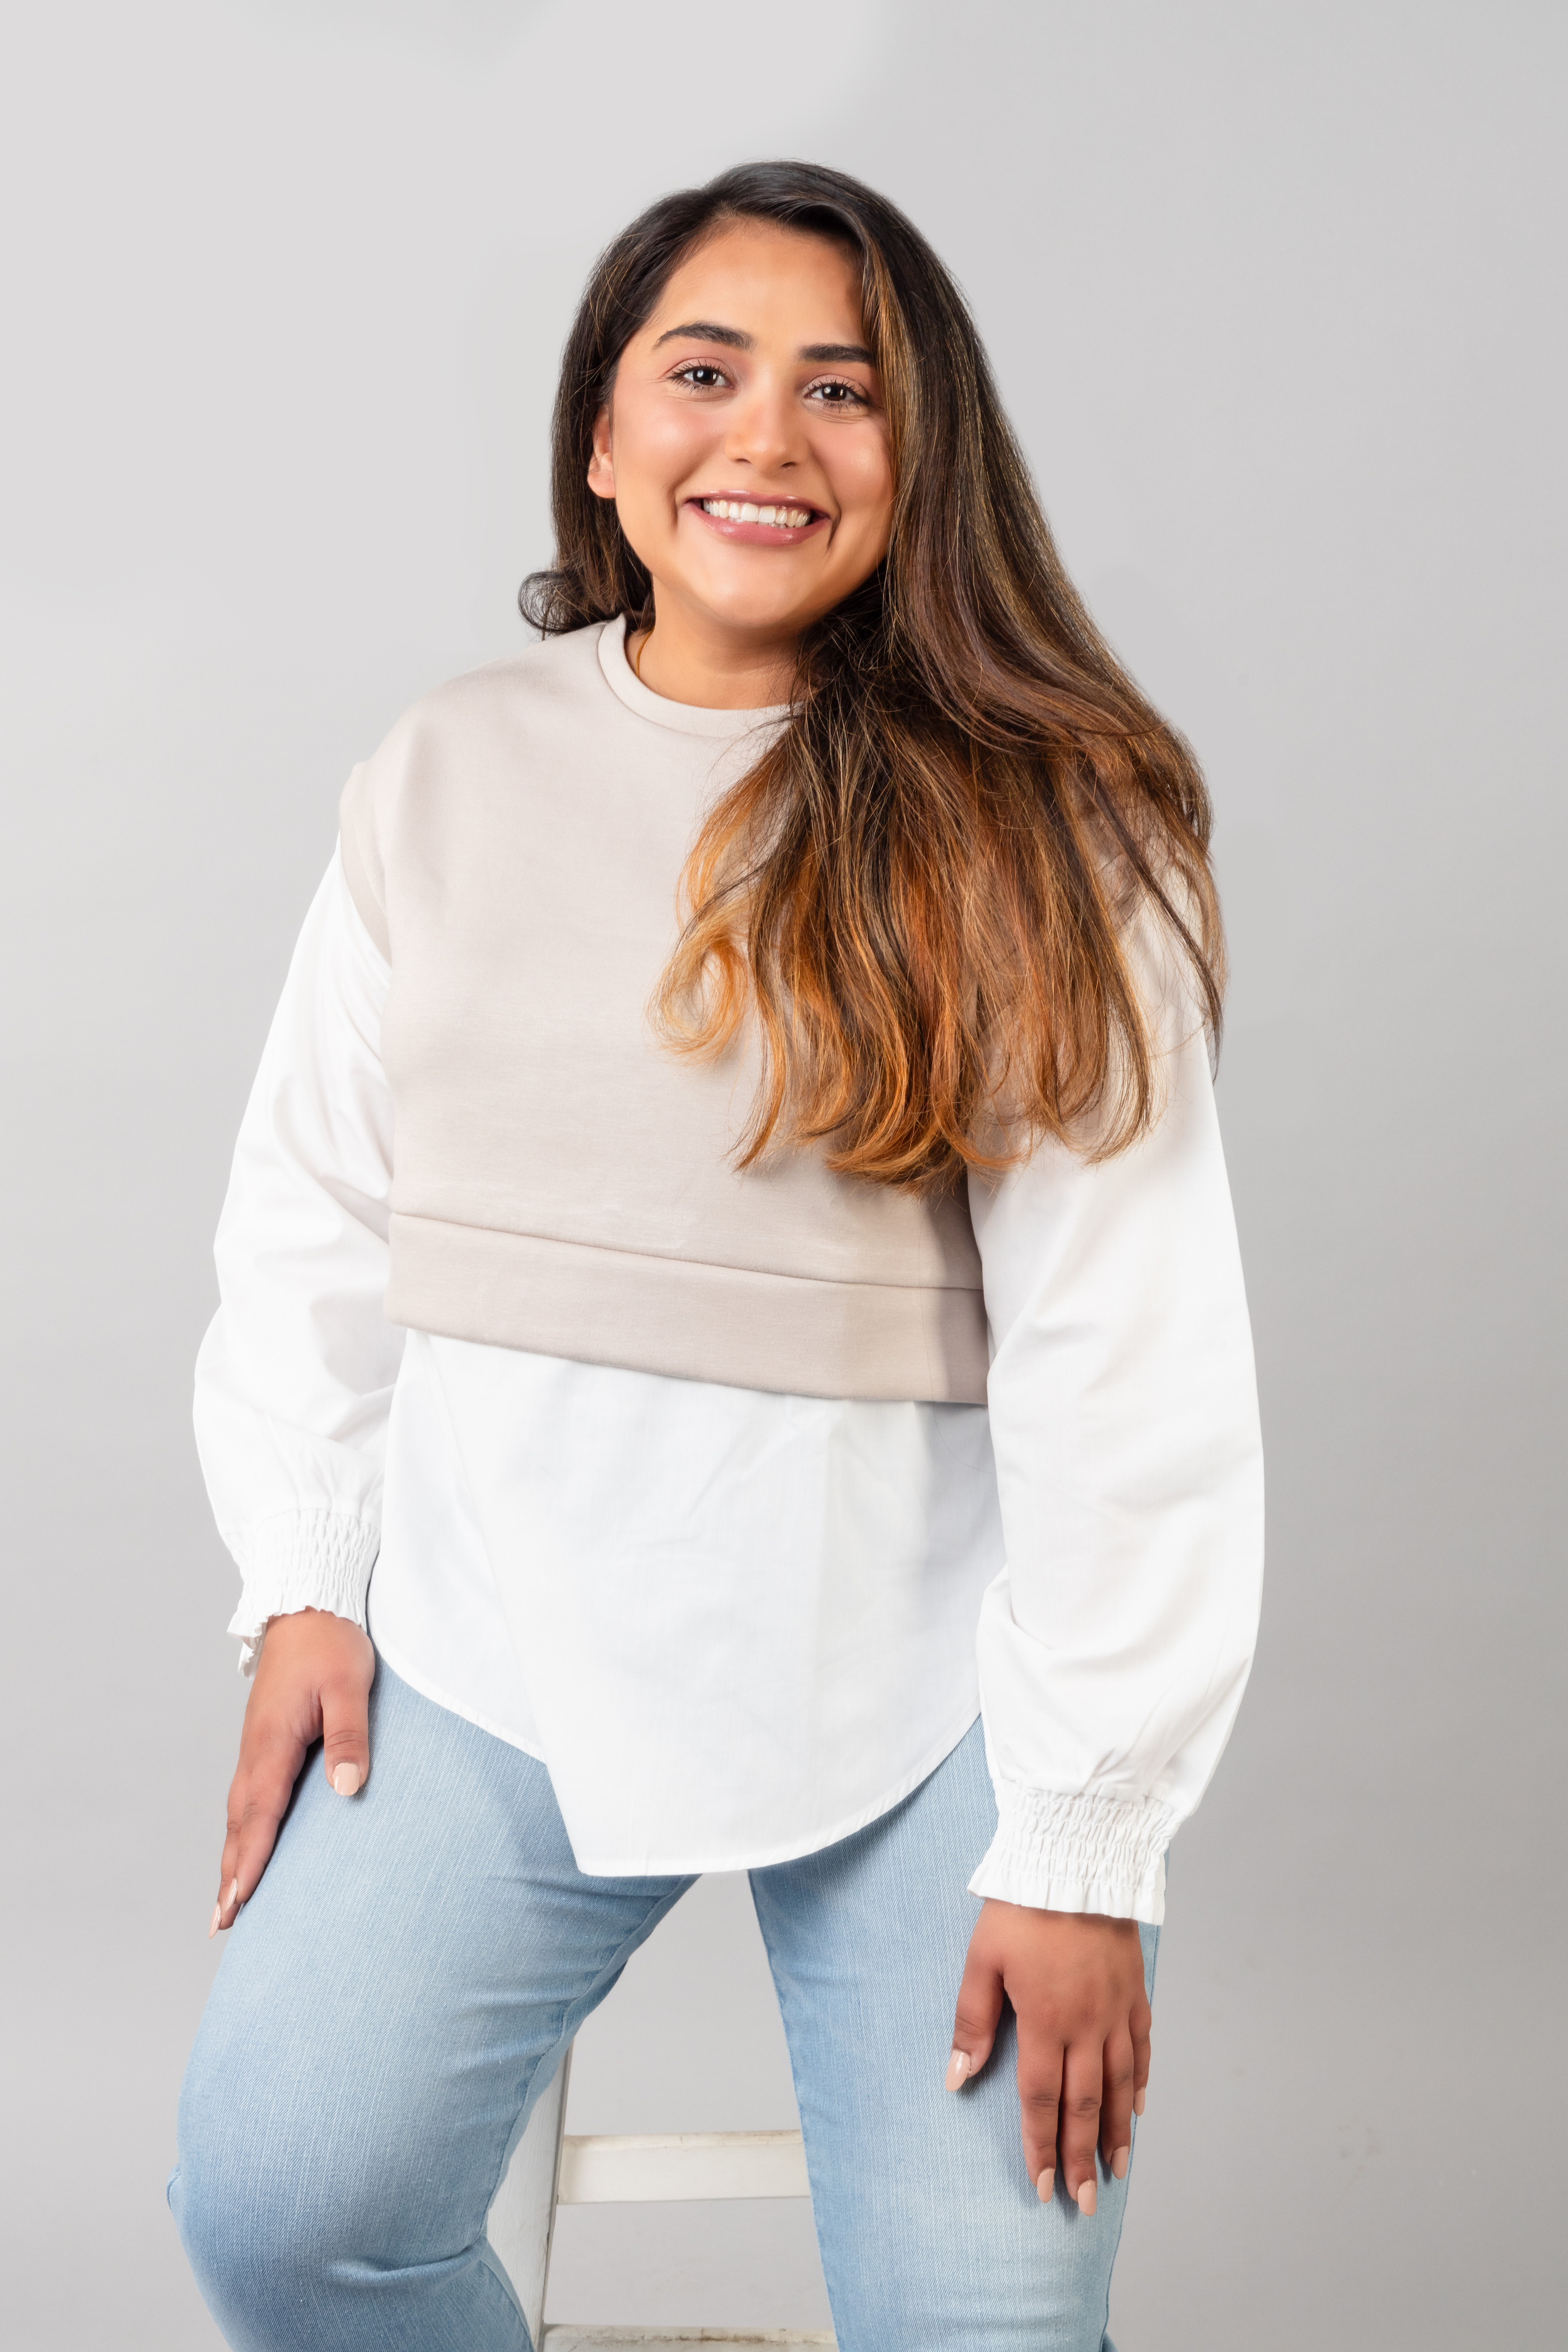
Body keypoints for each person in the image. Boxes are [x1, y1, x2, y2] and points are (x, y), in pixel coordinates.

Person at [169, 161, 1264, 2352]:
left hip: (926, 1695)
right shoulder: (445, 772)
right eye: (704, 372)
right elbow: (313, 1205)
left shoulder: (1050, 829)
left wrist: (1080, 1842)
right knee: (285, 2208)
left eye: (844, 390)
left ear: (922, 461)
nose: (769, 435)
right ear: (603, 436)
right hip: (492, 1648)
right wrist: (305, 1574)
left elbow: (1128, 1354)